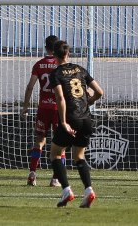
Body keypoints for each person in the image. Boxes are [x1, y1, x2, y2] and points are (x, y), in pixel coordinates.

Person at [49, 40, 103, 208]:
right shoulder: (80, 69)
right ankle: (88, 191)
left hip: (71, 118)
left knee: (55, 153)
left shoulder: (56, 73)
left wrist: (63, 122)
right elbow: (100, 92)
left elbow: (60, 98)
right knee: (79, 156)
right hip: (86, 119)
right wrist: (89, 102)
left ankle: (66, 191)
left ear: (53, 55)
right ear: (68, 54)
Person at [20, 35, 65, 187]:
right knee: (60, 144)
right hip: (59, 110)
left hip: (43, 109)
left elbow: (30, 86)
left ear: (46, 47)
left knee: (39, 142)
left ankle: (32, 173)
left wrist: (25, 107)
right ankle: (55, 179)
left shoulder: (39, 65)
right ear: (58, 47)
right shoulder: (61, 65)